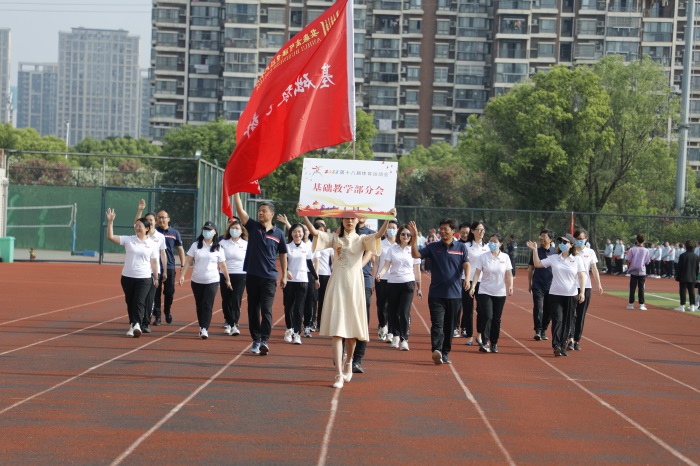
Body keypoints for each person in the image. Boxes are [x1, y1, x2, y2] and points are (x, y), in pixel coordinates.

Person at [300, 207, 394, 389]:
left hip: (355, 286)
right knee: (337, 331)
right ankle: (338, 374)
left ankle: (349, 362)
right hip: (337, 284)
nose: (349, 221)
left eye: (352, 219)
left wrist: (387, 219)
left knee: (351, 334)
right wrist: (304, 215)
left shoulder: (361, 239)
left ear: (357, 221)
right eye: (346, 219)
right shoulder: (335, 239)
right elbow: (313, 232)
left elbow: (378, 236)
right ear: (341, 221)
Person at [408, 218, 470, 365]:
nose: (442, 231)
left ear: (453, 231)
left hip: (455, 295)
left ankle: (445, 352)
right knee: (437, 324)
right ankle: (436, 350)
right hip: (436, 294)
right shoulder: (433, 247)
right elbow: (415, 254)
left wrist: (467, 279)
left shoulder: (461, 247)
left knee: (449, 326)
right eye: (440, 229)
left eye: (445, 229)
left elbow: (466, 264)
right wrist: (414, 237)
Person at [233, 193, 288, 355]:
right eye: (259, 211)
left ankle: (264, 340)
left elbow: (283, 254)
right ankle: (255, 340)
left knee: (267, 309)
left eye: (264, 211)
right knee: (253, 309)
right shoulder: (253, 227)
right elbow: (240, 209)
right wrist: (236, 191)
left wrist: (284, 274)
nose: (260, 213)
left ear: (271, 214)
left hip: (269, 277)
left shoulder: (279, 234)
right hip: (252, 276)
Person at [526, 233, 585, 357]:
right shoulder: (554, 258)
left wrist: (582, 292)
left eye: (565, 242)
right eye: (561, 242)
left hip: (571, 295)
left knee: (567, 322)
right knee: (557, 320)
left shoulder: (577, 259)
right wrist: (535, 250)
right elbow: (537, 264)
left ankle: (563, 345)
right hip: (555, 294)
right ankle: (556, 345)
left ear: (571, 245)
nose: (562, 244)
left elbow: (581, 276)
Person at [106, 208, 160, 338]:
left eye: (140, 226)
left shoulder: (152, 244)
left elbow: (154, 262)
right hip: (127, 277)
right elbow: (110, 237)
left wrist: (156, 277)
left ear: (147, 228)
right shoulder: (129, 239)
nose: (137, 228)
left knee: (139, 301)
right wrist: (110, 222)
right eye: (136, 226)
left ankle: (137, 325)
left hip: (144, 278)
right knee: (130, 302)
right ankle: (133, 324)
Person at [179, 222, 231, 339]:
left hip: (212, 281)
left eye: (209, 230)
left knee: (207, 304)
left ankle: (204, 328)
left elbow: (222, 265)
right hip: (197, 280)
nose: (206, 232)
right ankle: (201, 325)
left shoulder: (218, 248)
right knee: (199, 304)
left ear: (214, 232)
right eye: (205, 229)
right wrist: (182, 275)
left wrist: (227, 279)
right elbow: (188, 262)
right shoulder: (196, 245)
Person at [376, 224, 422, 350]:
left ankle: (404, 339)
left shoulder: (413, 249)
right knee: (393, 311)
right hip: (393, 283)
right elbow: (386, 265)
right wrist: (380, 273)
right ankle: (395, 336)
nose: (405, 236)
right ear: (399, 235)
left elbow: (417, 270)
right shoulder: (392, 249)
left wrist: (419, 286)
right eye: (403, 234)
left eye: (408, 234)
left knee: (404, 311)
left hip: (408, 283)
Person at [470, 233, 513, 353]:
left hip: (500, 292)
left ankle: (494, 343)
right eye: (490, 241)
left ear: (500, 244)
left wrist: (511, 286)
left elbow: (509, 273)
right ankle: (484, 342)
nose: (492, 244)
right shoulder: (483, 257)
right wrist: (473, 286)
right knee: (487, 315)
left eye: (495, 242)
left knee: (496, 319)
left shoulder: (505, 257)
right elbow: (477, 273)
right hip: (485, 290)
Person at [133, 201, 168, 334]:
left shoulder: (160, 237)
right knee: (139, 299)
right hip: (140, 271)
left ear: (155, 222)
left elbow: (162, 254)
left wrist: (163, 270)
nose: (149, 222)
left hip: (153, 272)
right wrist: (140, 209)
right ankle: (138, 322)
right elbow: (137, 223)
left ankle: (146, 323)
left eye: (151, 220)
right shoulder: (141, 235)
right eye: (146, 220)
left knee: (150, 298)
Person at [282, 223, 318, 344]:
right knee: (288, 307)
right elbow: (284, 262)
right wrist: (286, 271)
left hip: (303, 281)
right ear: (291, 233)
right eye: (295, 232)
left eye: (300, 232)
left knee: (298, 308)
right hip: (290, 281)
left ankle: (297, 333)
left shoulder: (307, 247)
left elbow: (309, 264)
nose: (297, 234)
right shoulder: (287, 247)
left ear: (303, 234)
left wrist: (316, 278)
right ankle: (289, 329)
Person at [149, 207, 186, 325]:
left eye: (163, 217)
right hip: (155, 267)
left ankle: (167, 311)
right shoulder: (154, 232)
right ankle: (158, 316)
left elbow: (180, 249)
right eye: (159, 217)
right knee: (156, 292)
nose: (161, 220)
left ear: (168, 219)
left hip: (169, 267)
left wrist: (183, 265)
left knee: (169, 292)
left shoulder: (174, 233)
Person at [568, 229, 603, 351]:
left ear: (586, 239)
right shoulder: (570, 251)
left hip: (586, 286)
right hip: (571, 287)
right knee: (571, 314)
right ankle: (570, 338)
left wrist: (598, 284)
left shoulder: (590, 252)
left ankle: (577, 339)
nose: (579, 241)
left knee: (581, 315)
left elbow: (594, 269)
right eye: (577, 239)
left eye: (581, 238)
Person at [351, 216, 377, 374]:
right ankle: (342, 354)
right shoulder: (344, 231)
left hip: (363, 279)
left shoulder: (369, 233)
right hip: (345, 280)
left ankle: (357, 359)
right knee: (345, 318)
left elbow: (369, 253)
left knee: (362, 320)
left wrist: (358, 266)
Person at [219, 217, 247, 336]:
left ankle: (234, 324)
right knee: (226, 300)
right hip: (225, 274)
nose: (234, 230)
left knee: (236, 299)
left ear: (241, 231)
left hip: (240, 275)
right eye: (232, 228)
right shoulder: (222, 243)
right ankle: (229, 322)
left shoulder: (246, 244)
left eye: (237, 228)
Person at [462, 221, 488, 347]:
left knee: (482, 310)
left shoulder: (487, 247)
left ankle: (479, 335)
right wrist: (465, 279)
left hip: (483, 281)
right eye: (479, 229)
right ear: (472, 231)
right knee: (468, 309)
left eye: (483, 229)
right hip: (468, 280)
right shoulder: (466, 246)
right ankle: (470, 336)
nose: (481, 232)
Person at [374, 219, 399, 342]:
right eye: (389, 227)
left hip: (394, 280)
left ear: (397, 230)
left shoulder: (399, 246)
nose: (392, 230)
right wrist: (375, 277)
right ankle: (383, 325)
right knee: (381, 304)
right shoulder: (380, 244)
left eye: (394, 228)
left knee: (392, 305)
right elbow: (376, 262)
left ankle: (390, 330)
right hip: (381, 278)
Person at [528, 229, 555, 341]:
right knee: (538, 308)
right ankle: (538, 330)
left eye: (544, 236)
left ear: (550, 239)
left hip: (552, 285)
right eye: (541, 236)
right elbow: (531, 268)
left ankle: (543, 329)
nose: (541, 238)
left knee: (548, 309)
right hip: (538, 284)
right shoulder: (536, 251)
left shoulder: (555, 252)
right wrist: (529, 283)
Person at [312, 218, 332, 331]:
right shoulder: (311, 243)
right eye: (318, 230)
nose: (321, 232)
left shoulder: (328, 244)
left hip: (325, 274)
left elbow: (333, 260)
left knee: (323, 300)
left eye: (322, 230)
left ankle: (320, 322)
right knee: (313, 299)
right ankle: (312, 321)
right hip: (313, 275)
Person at [626, 234, 651, 310]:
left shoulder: (632, 249)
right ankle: (641, 304)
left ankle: (631, 304)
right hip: (642, 271)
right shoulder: (646, 250)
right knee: (641, 288)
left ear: (637, 240)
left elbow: (628, 259)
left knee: (632, 288)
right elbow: (647, 262)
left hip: (633, 270)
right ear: (644, 241)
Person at [454, 222, 470, 338]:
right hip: (457, 279)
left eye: (467, 233)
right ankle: (455, 327)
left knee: (467, 305)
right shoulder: (455, 245)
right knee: (457, 305)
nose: (465, 235)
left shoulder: (472, 245)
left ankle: (464, 327)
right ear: (459, 232)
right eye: (463, 232)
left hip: (468, 279)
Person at [675, 240, 699, 312]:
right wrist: (696, 276)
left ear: (686, 246)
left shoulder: (682, 256)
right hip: (693, 276)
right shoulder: (696, 256)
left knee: (683, 291)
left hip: (683, 276)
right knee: (692, 291)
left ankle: (682, 306)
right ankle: (692, 306)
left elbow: (679, 267)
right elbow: (697, 268)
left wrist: (677, 276)